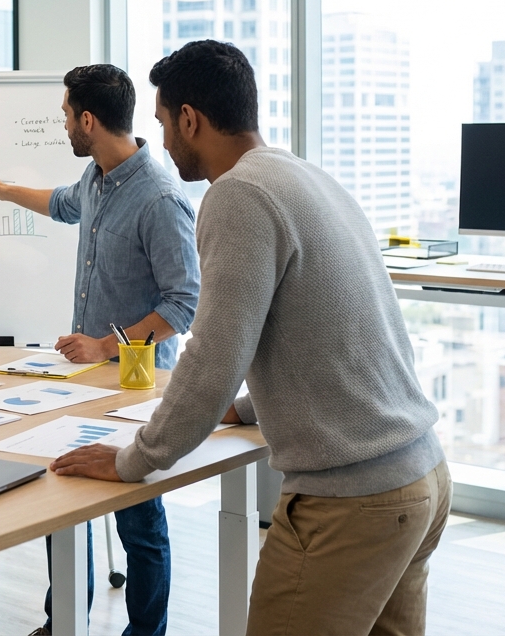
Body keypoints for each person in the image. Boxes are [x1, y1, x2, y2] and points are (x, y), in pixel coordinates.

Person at [48, 40, 451, 636]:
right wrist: (246, 409)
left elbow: (213, 356)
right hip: (420, 479)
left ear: (191, 118)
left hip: (353, 500)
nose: (160, 141)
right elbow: (334, 334)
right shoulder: (304, 176)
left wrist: (135, 460)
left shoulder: (235, 195)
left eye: (162, 123)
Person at [0, 64, 199, 636]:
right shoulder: (98, 179)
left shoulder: (161, 198)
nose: (64, 127)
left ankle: (145, 632)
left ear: (89, 120)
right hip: (80, 386)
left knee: (139, 521)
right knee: (64, 499)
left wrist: (105, 344)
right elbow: (62, 204)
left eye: (67, 117)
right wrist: (1, 189)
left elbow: (184, 302)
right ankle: (64, 622)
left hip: (132, 389)